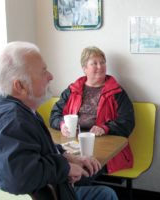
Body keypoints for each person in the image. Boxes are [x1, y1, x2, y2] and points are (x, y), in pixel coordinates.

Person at [0, 41, 118, 200]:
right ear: (20, 86)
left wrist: (66, 156)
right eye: (43, 71)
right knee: (106, 195)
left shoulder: (18, 109)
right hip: (52, 194)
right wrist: (65, 169)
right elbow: (18, 177)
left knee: (104, 192)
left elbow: (36, 150)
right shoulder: (13, 119)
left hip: (54, 188)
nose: (50, 76)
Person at [50, 46, 135, 174]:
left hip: (102, 144)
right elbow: (54, 115)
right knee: (56, 161)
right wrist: (62, 124)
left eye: (102, 62)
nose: (100, 66)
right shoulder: (72, 90)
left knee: (83, 170)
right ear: (84, 69)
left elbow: (128, 122)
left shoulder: (117, 92)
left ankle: (75, 193)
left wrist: (105, 128)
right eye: (94, 63)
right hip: (73, 142)